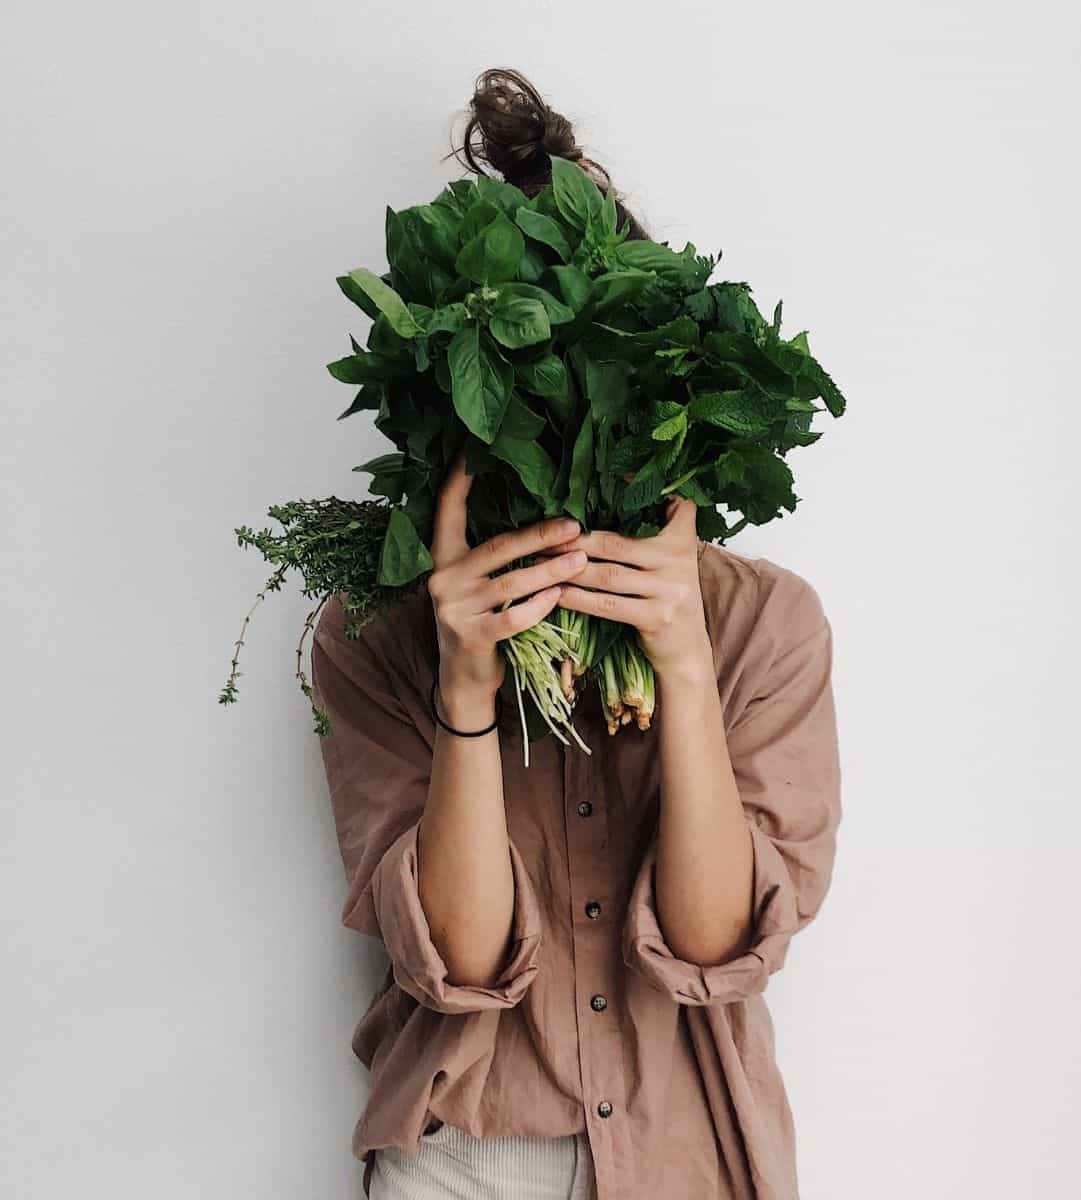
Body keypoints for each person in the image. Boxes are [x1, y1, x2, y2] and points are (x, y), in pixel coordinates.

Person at [310, 68, 842, 1200]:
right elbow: (456, 962)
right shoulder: (375, 632)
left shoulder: (763, 622)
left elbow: (713, 953)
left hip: (686, 1148)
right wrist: (464, 686)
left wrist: (685, 670)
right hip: (465, 1153)